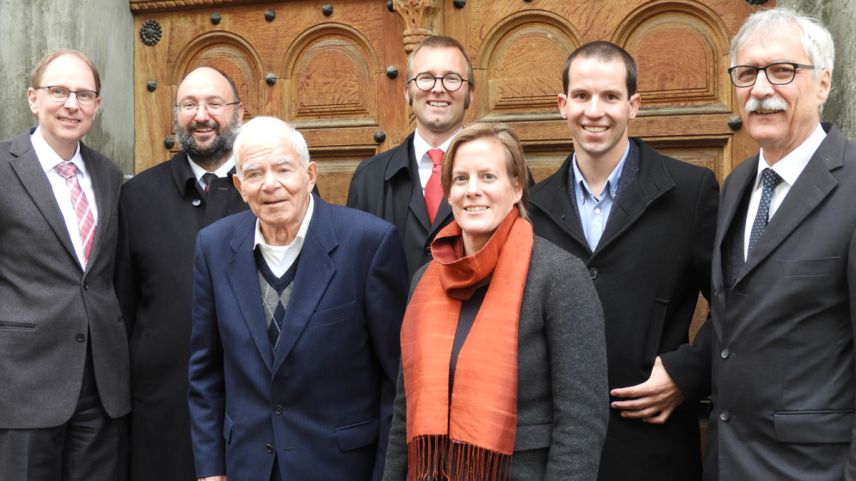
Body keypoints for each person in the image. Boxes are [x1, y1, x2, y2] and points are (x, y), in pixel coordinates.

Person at [528, 41, 718, 481]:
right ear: (562, 105)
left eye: (611, 97)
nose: (595, 111)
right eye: (582, 96)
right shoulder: (532, 207)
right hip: (558, 450)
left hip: (654, 444)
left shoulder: (690, 191)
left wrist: (687, 373)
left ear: (634, 105)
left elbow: (734, 301)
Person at [383, 123, 608, 481]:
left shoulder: (559, 276)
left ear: (516, 187)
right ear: (449, 193)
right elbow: (404, 412)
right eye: (461, 179)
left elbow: (581, 421)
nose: (473, 191)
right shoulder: (425, 281)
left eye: (488, 177)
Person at [188, 116, 408, 481]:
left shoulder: (369, 242)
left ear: (310, 175)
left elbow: (397, 376)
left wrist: (387, 472)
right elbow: (205, 371)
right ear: (240, 186)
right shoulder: (213, 247)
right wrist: (211, 470)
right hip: (248, 466)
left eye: (283, 169)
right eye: (255, 174)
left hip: (340, 466)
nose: (270, 184)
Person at [705, 8, 856, 481]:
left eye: (783, 71)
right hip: (729, 460)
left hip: (815, 468)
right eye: (747, 73)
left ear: (824, 83)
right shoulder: (739, 183)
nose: (761, 90)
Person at [115, 66, 249, 481]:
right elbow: (123, 304)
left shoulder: (275, 188)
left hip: (252, 405)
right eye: (189, 104)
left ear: (239, 113)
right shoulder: (137, 196)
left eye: (214, 103)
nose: (201, 115)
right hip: (162, 408)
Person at [0, 49, 128, 480]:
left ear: (97, 106)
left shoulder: (109, 175)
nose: (72, 104)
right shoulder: (2, 167)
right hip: (23, 385)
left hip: (102, 387)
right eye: (59, 91)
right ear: (33, 98)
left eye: (84, 94)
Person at [347, 35, 474, 279]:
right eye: (426, 78)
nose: (438, 88)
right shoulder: (369, 178)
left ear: (471, 93)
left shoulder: (504, 172)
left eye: (452, 78)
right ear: (407, 92)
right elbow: (354, 270)